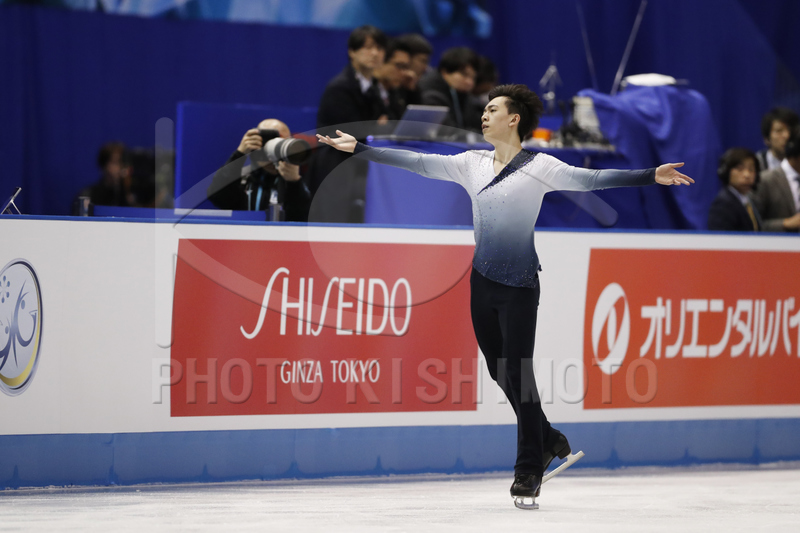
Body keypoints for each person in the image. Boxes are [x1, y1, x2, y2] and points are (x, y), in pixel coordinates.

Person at [316, 84, 693, 506]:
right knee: (501, 373)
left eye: (493, 110)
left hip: (519, 284)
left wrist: (650, 174)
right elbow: (419, 162)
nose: (484, 115)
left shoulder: (541, 166)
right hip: (481, 281)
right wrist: (361, 149)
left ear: (514, 119)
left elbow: (592, 179)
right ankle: (547, 436)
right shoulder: (470, 163)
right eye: (484, 109)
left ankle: (528, 468)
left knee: (520, 373)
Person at [309, 25, 389, 222]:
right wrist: (376, 126)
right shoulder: (340, 87)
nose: (375, 53)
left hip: (360, 164)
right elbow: (347, 131)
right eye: (368, 47)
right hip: (336, 167)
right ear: (352, 52)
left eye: (379, 48)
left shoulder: (374, 87)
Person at [207, 119, 310, 222]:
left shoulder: (301, 176)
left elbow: (303, 218)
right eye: (266, 140)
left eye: (280, 141)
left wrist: (294, 182)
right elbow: (217, 197)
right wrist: (239, 154)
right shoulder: (244, 178)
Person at [419, 47, 481, 133]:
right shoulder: (430, 94)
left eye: (473, 77)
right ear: (445, 72)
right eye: (464, 75)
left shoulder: (464, 96)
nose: (470, 82)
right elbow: (448, 132)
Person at [752, 134, 800, 232]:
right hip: (779, 240)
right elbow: (754, 224)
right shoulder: (765, 180)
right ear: (796, 156)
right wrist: (786, 223)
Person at [707, 147, 762, 231]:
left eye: (751, 169)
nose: (747, 175)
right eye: (740, 169)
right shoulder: (723, 204)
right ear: (727, 171)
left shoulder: (750, 200)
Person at [73, 141, 136, 214]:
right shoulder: (88, 196)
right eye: (116, 162)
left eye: (124, 163)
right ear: (104, 166)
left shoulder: (132, 197)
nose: (121, 168)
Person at [373, 39, 416, 121]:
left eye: (406, 67)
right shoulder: (366, 92)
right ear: (382, 62)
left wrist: (411, 91)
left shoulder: (396, 93)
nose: (404, 73)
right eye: (399, 66)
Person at [755, 107, 799, 172]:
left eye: (790, 130)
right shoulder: (757, 164)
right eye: (779, 131)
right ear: (767, 139)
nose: (786, 135)